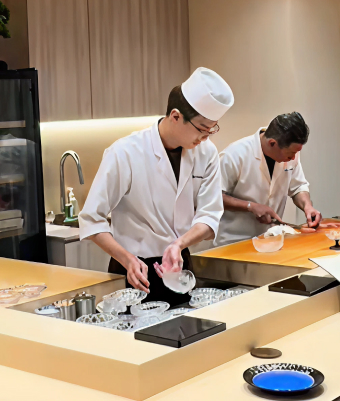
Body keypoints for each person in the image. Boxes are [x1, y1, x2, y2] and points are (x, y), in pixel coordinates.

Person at [79, 68, 234, 306]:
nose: (206, 137)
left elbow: (210, 215)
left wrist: (179, 244)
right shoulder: (125, 152)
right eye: (202, 128)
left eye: (212, 129)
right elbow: (91, 219)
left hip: (180, 265)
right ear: (175, 116)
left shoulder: (207, 153)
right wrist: (126, 258)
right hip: (135, 270)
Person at [216, 112, 322, 246]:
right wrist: (250, 206)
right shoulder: (234, 155)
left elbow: (298, 188)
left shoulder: (290, 156)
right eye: (291, 154)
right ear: (272, 143)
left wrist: (307, 206)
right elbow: (215, 197)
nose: (293, 158)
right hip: (233, 241)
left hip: (270, 239)